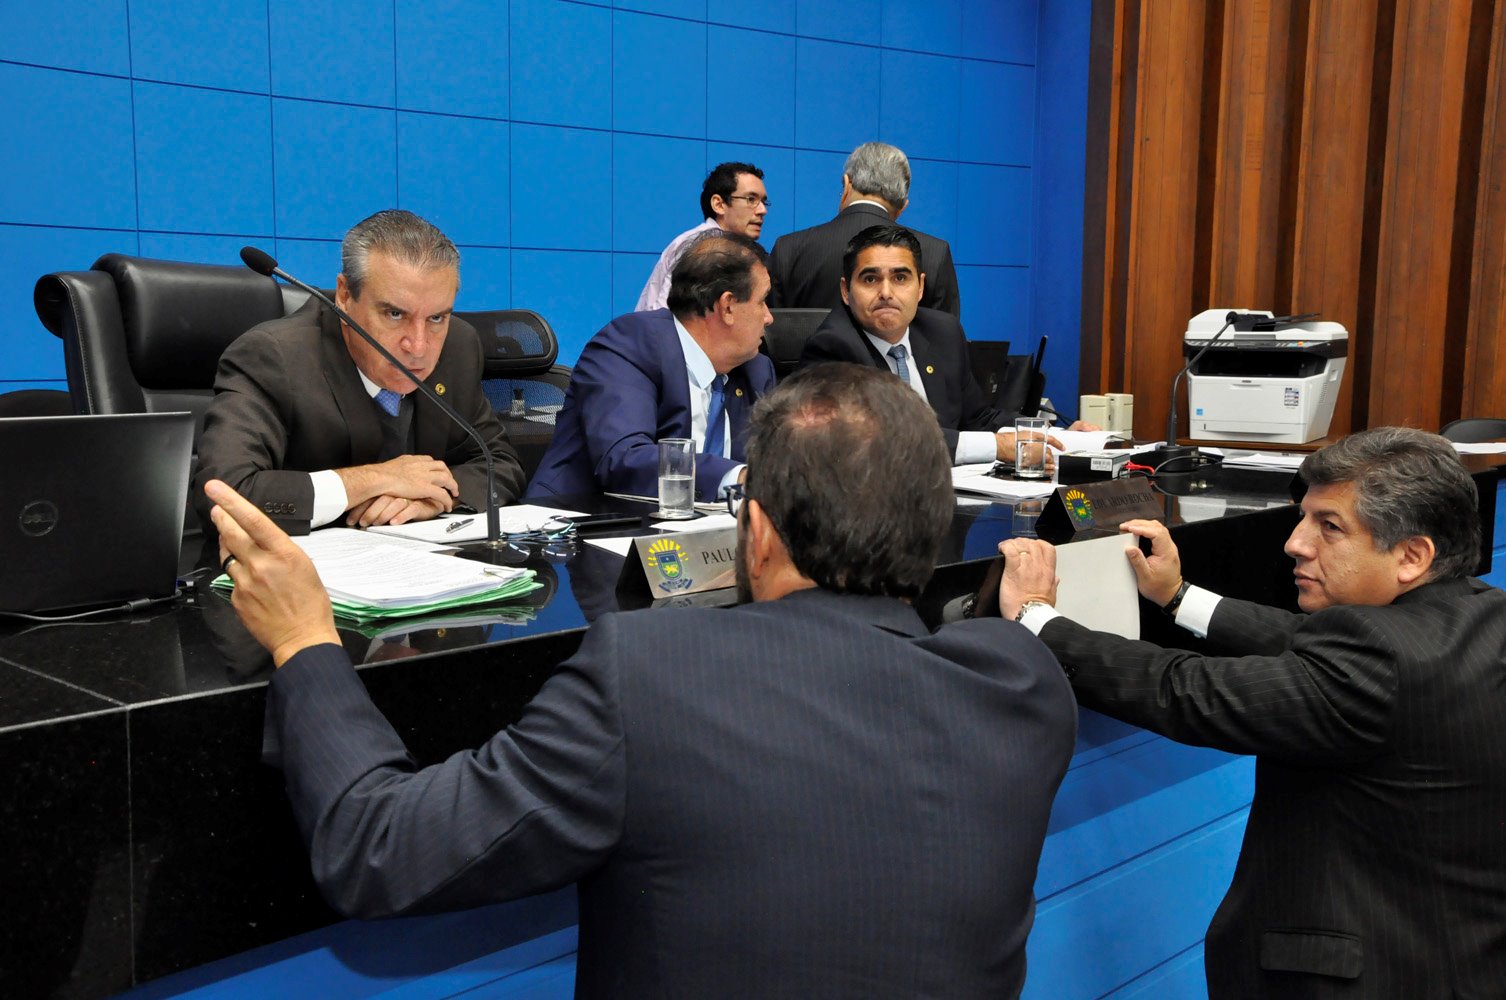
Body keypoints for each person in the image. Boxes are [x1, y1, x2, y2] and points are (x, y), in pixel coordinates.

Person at [207, 361, 1076, 998]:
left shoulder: (655, 673)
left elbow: (376, 848)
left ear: (756, 533)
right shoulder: (1024, 689)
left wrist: (305, 640)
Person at [998, 426, 1506, 999]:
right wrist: (1179, 596)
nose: (1295, 543)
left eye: (1329, 526)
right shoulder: (1480, 615)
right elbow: (1313, 642)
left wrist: (1036, 618)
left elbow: (1186, 692)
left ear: (1412, 556)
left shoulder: (1376, 663)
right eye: (1303, 517)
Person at [193, 209, 524, 538]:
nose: (418, 346)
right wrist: (376, 479)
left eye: (436, 318)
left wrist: (433, 497)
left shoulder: (459, 345)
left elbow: (499, 462)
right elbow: (223, 493)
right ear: (345, 295)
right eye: (394, 314)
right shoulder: (273, 357)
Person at [797, 224, 1090, 466]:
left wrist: (1048, 434)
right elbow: (882, 440)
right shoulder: (832, 346)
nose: (886, 292)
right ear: (846, 291)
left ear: (920, 287)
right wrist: (996, 446)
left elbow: (978, 418)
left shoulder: (943, 332)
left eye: (900, 277)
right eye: (870, 279)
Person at [527, 233, 775, 501]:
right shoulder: (629, 345)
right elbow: (624, 459)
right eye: (762, 301)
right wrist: (736, 478)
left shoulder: (756, 370)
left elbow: (775, 461)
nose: (769, 317)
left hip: (708, 525)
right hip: (582, 517)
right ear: (727, 307)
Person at [768, 141, 960, 316]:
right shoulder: (934, 253)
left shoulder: (788, 249)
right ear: (903, 207)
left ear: (846, 185)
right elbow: (946, 336)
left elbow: (768, 330)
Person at [635, 161, 768, 311]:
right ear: (719, 204)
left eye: (764, 202)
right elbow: (665, 313)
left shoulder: (723, 246)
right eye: (751, 199)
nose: (762, 210)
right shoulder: (703, 245)